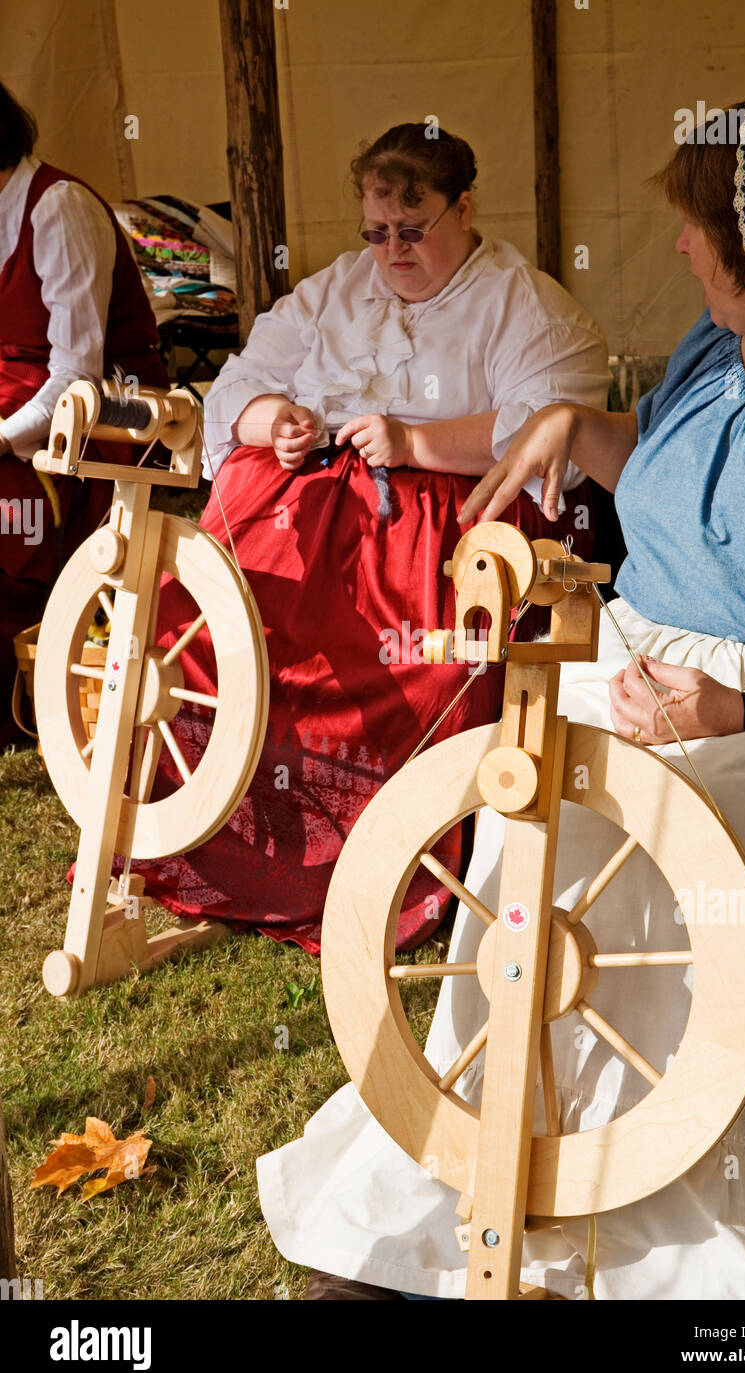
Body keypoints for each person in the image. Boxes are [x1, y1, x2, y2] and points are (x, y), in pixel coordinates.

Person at [257, 92, 745, 1299]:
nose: (682, 246)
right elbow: (675, 469)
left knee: (711, 850)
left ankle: (686, 1200)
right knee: (533, 801)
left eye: (698, 228)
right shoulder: (718, 343)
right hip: (640, 659)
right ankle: (493, 1148)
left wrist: (738, 711)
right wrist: (576, 428)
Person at [136, 123, 609, 955]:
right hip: (312, 501)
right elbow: (242, 379)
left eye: (413, 230)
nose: (392, 250)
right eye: (377, 232)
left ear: (464, 208)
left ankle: (369, 870)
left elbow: (546, 433)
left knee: (409, 661)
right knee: (209, 629)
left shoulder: (521, 303)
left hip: (444, 521)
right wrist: (270, 420)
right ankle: (221, 842)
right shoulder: (335, 291)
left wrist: (413, 442)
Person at [0, 80, 169, 747]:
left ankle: (31, 666)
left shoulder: (59, 208)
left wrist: (3, 438)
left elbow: (79, 375)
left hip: (115, 407)